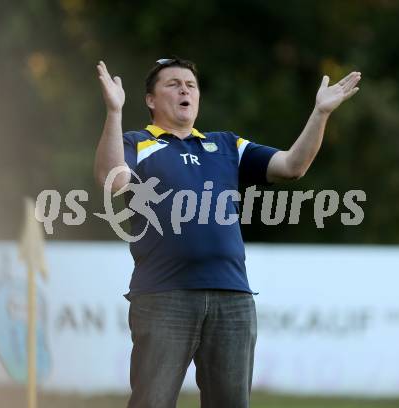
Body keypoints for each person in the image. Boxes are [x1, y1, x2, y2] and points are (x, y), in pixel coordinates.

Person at [94, 57, 361, 408]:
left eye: (190, 84)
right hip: (164, 295)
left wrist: (320, 113)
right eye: (173, 84)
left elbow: (292, 166)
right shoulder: (137, 142)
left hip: (232, 296)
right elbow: (111, 179)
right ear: (150, 100)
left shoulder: (226, 145)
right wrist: (114, 112)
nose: (184, 89)